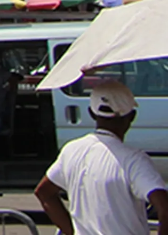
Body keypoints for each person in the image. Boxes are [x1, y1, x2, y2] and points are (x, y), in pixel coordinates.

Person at [36, 82, 168, 235]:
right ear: (132, 117)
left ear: (91, 113)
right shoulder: (134, 160)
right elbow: (164, 206)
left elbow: (44, 192)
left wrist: (71, 231)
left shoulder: (71, 150)